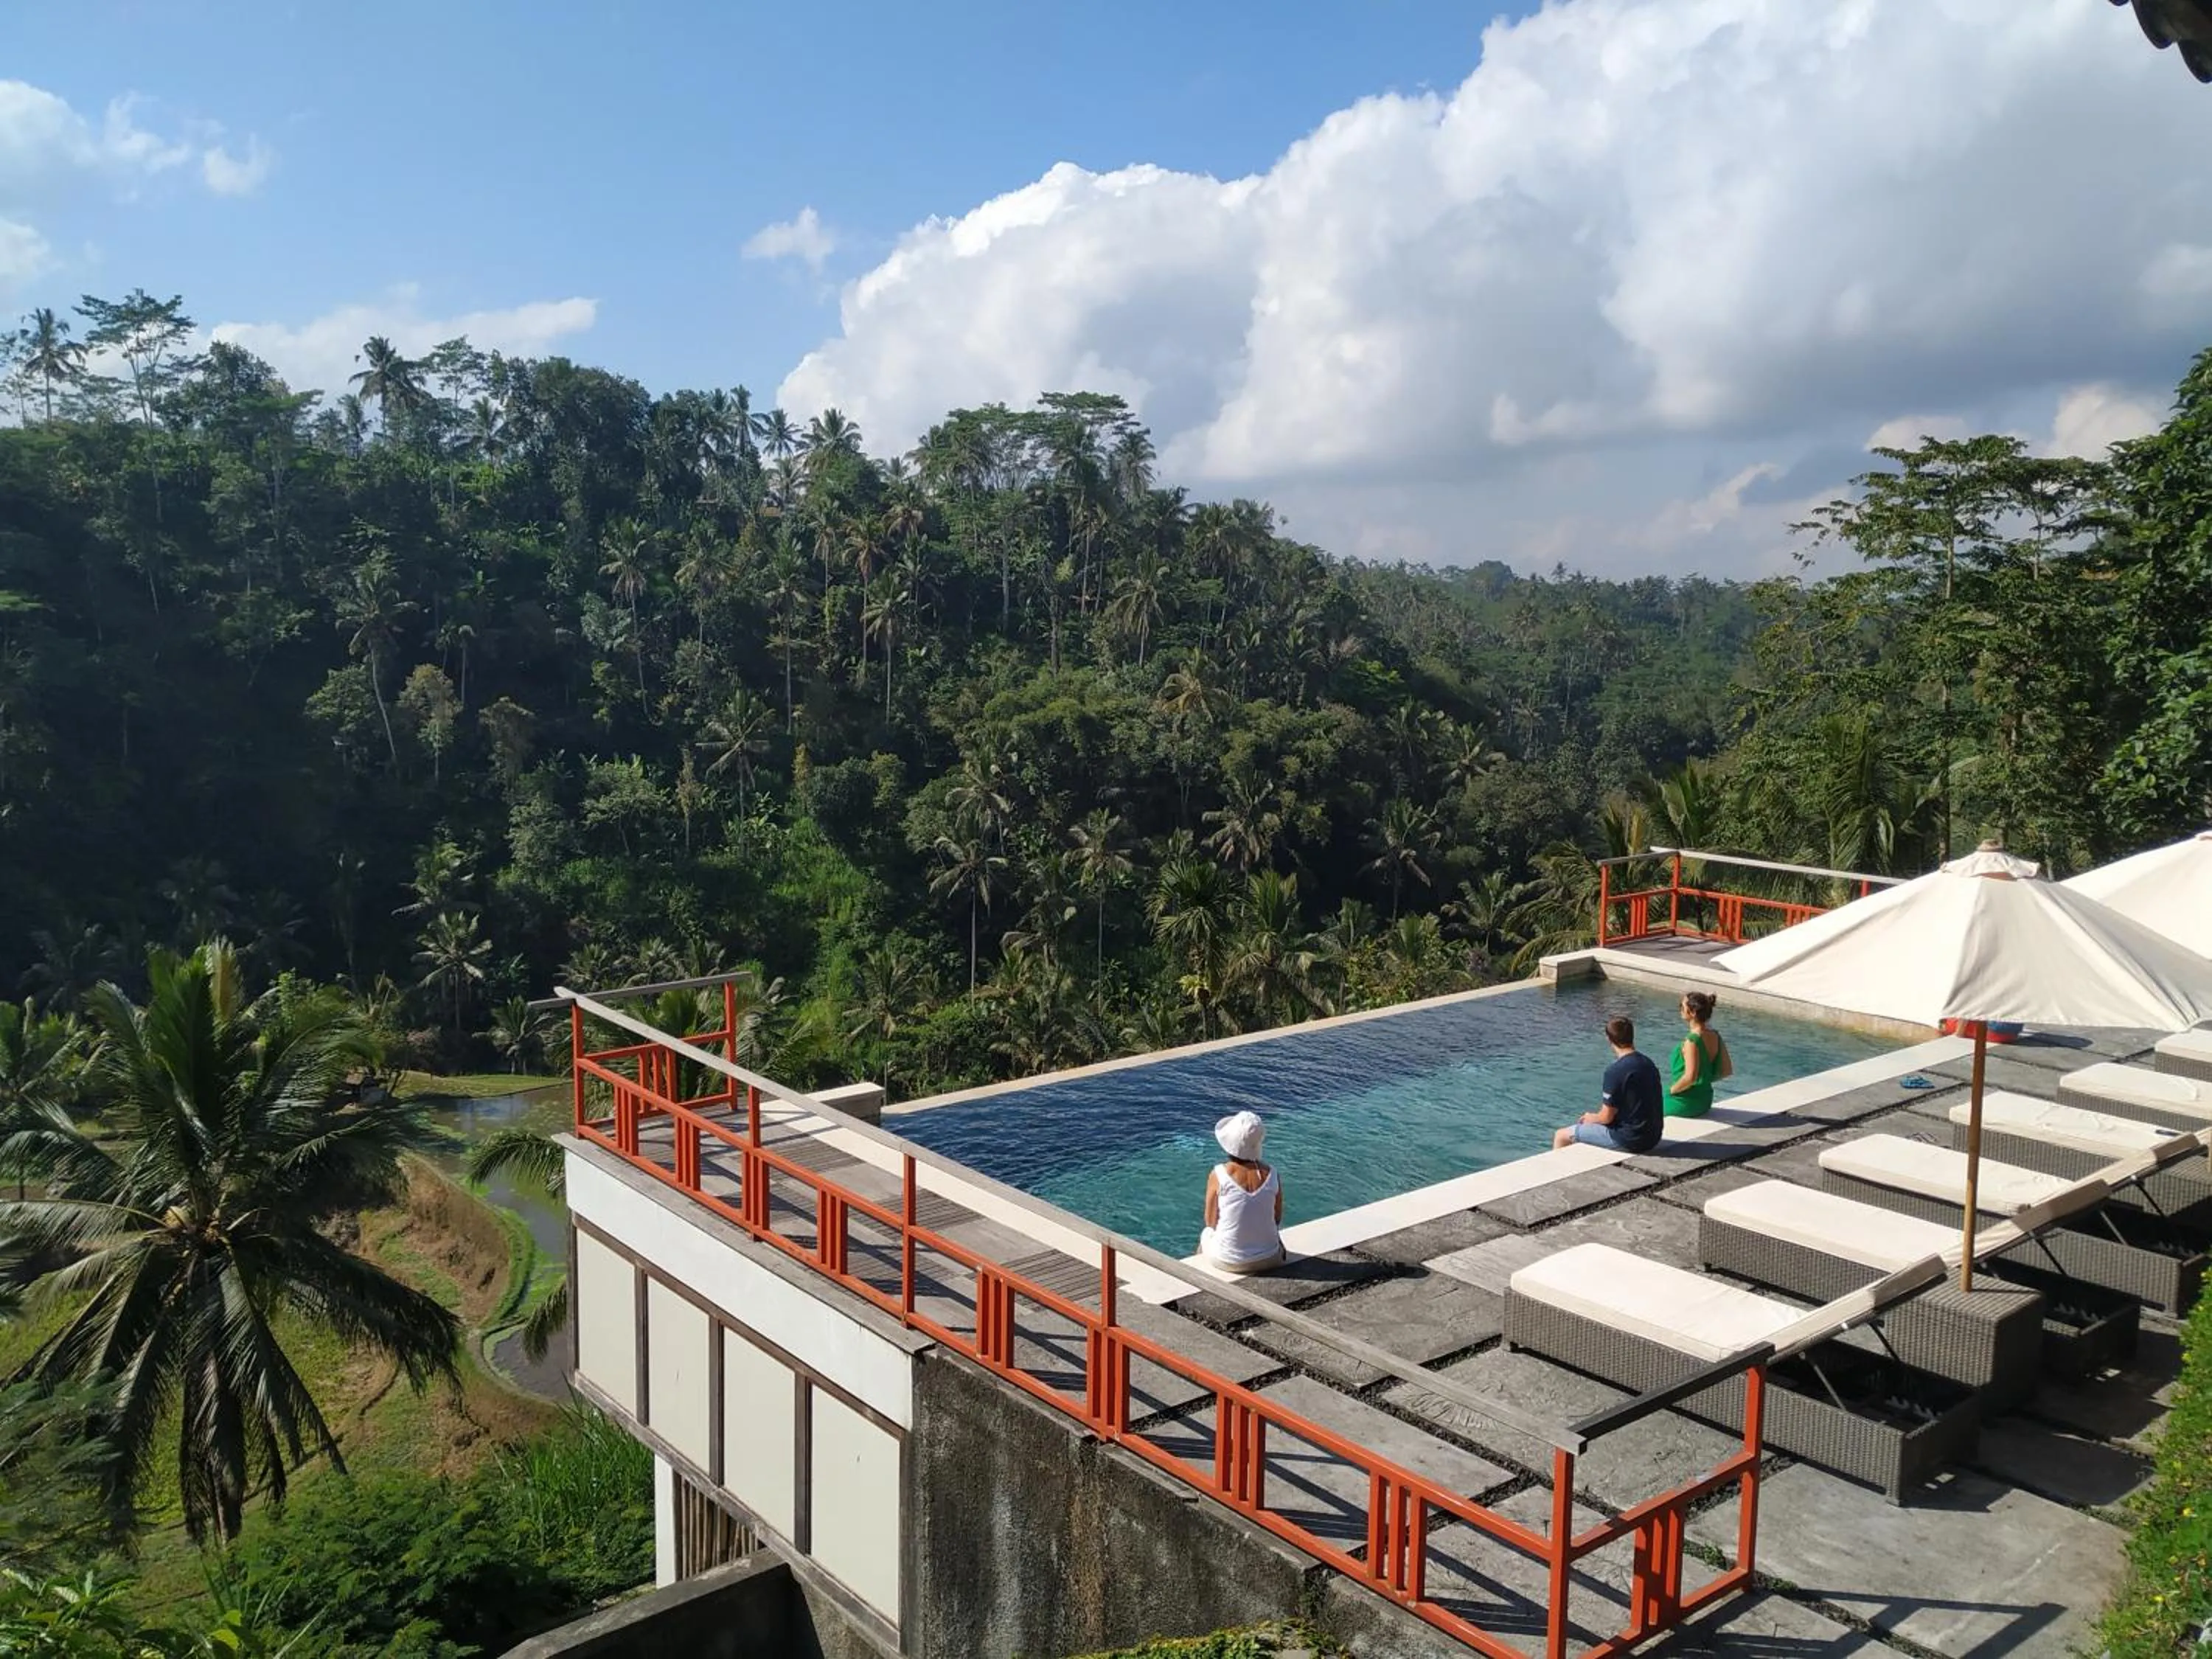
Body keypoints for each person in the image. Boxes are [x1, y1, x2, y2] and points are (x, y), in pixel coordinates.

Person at [1551, 1015, 1664, 1152]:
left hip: (1629, 1140)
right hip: (1653, 1137)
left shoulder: (1615, 1071)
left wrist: (1590, 1118)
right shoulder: (1648, 1063)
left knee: (1561, 1135)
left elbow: (1606, 1117)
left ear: (1609, 1039)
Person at [1198, 1109, 1285, 1273]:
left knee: (1206, 1234)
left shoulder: (1219, 1174)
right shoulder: (1273, 1174)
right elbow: (1277, 1218)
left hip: (1229, 1261)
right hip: (1271, 1257)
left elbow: (1210, 1222)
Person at [1666, 990, 1733, 1119]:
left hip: (1686, 1102)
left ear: (1693, 1012)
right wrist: (1704, 1080)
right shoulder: (1715, 1036)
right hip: (1706, 1099)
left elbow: (1690, 1078)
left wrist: (1671, 1091)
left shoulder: (1692, 1041)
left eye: (1682, 1006)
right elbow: (1726, 1071)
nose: (1680, 1009)